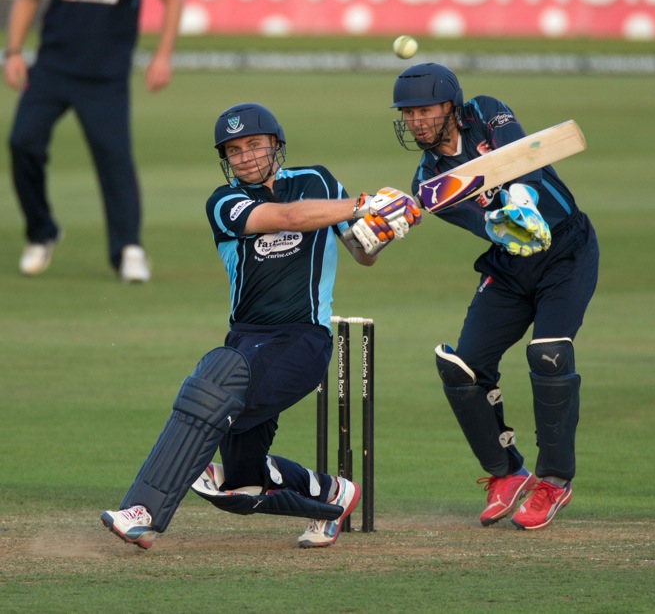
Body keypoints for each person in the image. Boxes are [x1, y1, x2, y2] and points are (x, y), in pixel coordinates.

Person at [100, 102, 421, 548]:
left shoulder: (318, 181)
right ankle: (332, 494)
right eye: (235, 150)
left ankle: (142, 511)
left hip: (303, 340)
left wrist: (380, 232)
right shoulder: (224, 202)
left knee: (206, 400)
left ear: (276, 145)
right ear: (225, 159)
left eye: (255, 144)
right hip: (245, 342)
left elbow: (359, 251)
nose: (246, 156)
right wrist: (365, 203)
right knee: (242, 481)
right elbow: (287, 218)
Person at [390, 63, 599, 530]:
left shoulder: (485, 111)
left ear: (450, 106)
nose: (416, 121)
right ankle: (507, 473)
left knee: (548, 355)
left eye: (424, 110)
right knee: (461, 369)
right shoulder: (427, 179)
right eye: (408, 114)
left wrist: (522, 198)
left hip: (566, 249)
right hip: (511, 264)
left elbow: (524, 156)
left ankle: (553, 481)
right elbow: (477, 222)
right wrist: (499, 225)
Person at [4, 0, 183, 282]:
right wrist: (13, 52)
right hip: (51, 70)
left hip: (105, 79)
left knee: (114, 159)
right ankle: (41, 232)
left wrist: (163, 56)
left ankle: (128, 249)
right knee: (22, 143)